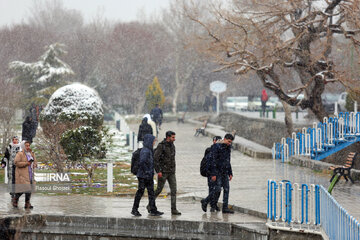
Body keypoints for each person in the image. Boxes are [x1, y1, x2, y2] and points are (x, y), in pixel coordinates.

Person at [131, 134, 164, 217]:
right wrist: (147, 172)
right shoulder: (146, 151)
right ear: (149, 141)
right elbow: (142, 162)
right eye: (153, 141)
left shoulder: (149, 150)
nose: (154, 143)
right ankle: (135, 209)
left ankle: (153, 209)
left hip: (147, 175)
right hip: (143, 176)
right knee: (141, 192)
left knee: (151, 193)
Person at [152, 131, 181, 215]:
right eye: (173, 137)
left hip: (171, 172)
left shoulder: (172, 145)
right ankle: (150, 205)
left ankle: (174, 209)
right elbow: (156, 159)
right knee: (159, 190)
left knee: (174, 190)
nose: (174, 139)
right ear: (168, 137)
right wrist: (158, 171)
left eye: (174, 137)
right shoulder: (161, 146)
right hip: (163, 172)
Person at [206, 133, 235, 214]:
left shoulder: (228, 147)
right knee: (217, 189)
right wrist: (213, 174)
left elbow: (228, 160)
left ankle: (225, 208)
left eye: (231, 142)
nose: (229, 143)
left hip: (225, 172)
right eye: (228, 141)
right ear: (225, 139)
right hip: (217, 172)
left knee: (226, 189)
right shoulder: (216, 147)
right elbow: (213, 161)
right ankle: (207, 202)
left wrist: (230, 172)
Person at [200, 136, 222, 212]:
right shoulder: (209, 150)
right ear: (214, 141)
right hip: (211, 173)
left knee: (218, 190)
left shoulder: (222, 149)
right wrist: (212, 173)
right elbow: (208, 162)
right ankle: (211, 205)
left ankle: (212, 203)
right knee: (212, 189)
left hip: (219, 172)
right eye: (217, 140)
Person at [13, 140, 37, 209]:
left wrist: (35, 164)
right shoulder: (20, 154)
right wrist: (26, 163)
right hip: (22, 174)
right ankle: (15, 199)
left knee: (29, 189)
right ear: (23, 146)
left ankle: (27, 203)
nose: (28, 147)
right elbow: (16, 162)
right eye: (26, 146)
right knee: (23, 189)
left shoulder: (31, 153)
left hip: (30, 173)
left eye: (29, 145)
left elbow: (35, 161)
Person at [1, 136, 21, 200]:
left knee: (18, 179)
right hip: (11, 166)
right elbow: (6, 156)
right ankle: (12, 193)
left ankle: (17, 192)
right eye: (13, 139)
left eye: (16, 139)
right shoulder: (9, 147)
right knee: (11, 178)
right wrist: (3, 163)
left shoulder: (20, 147)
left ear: (18, 140)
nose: (14, 141)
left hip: (18, 166)